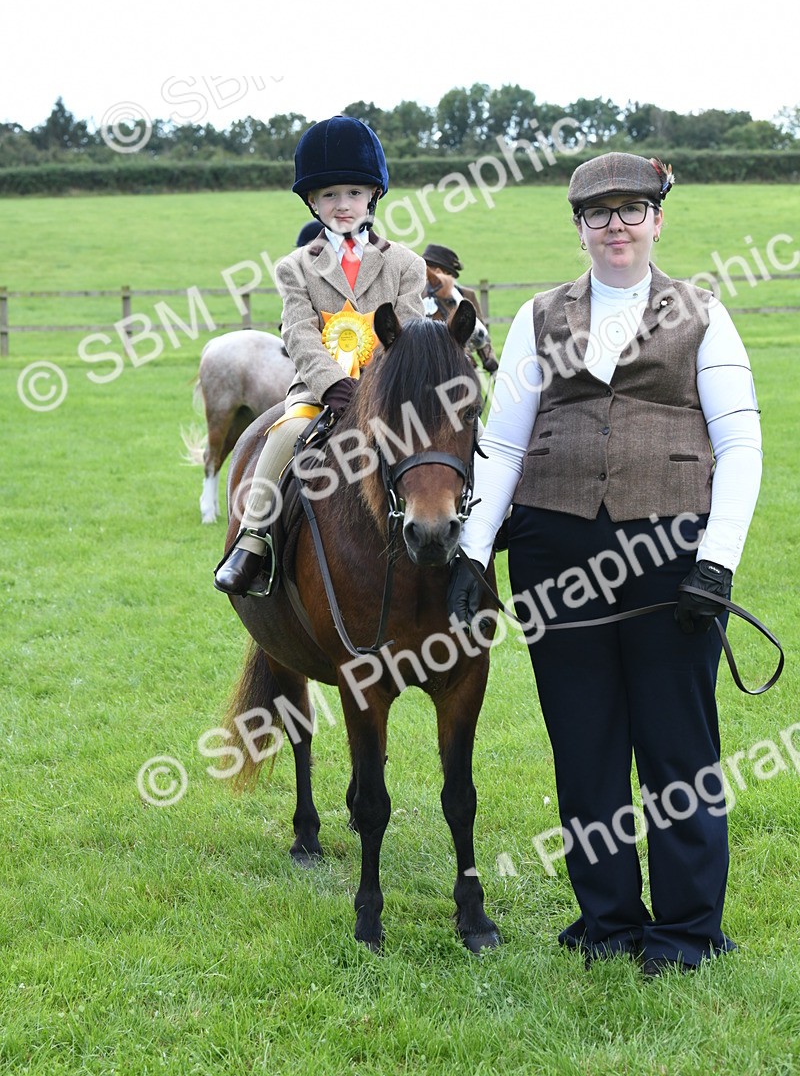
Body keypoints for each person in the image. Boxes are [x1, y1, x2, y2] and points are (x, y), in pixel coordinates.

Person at [448, 153, 762, 976]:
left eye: (632, 209)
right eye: (599, 213)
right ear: (580, 228)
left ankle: (689, 928)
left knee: (677, 745)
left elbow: (742, 445)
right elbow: (505, 441)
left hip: (672, 555)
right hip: (556, 553)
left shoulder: (703, 315)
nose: (616, 224)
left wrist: (717, 562)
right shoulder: (537, 318)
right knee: (583, 742)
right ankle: (609, 919)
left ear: (658, 219)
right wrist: (472, 556)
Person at [214, 115, 426, 596]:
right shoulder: (295, 267)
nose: (342, 204)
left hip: (389, 390)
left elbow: (410, 332)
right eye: (329, 195)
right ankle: (253, 543)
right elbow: (298, 330)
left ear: (373, 194)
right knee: (284, 433)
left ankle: (476, 533)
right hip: (318, 389)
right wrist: (332, 383)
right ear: (312, 201)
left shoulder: (406, 265)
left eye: (353, 192)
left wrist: (373, 385)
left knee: (446, 434)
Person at [422, 243, 499, 373]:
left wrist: (488, 358)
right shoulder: (415, 294)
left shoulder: (466, 296)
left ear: (443, 272)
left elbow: (479, 332)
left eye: (431, 269)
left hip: (460, 363)